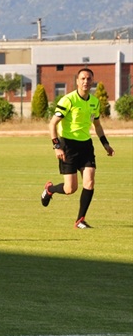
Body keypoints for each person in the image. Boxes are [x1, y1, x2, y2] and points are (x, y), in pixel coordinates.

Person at [40, 67, 115, 228]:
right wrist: (56, 146)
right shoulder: (68, 100)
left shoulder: (94, 102)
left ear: (92, 81)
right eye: (83, 79)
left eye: (89, 79)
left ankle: (80, 220)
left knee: (90, 181)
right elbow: (52, 124)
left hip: (86, 146)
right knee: (70, 188)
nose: (86, 81)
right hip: (68, 145)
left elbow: (97, 125)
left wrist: (105, 144)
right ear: (77, 81)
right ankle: (50, 189)